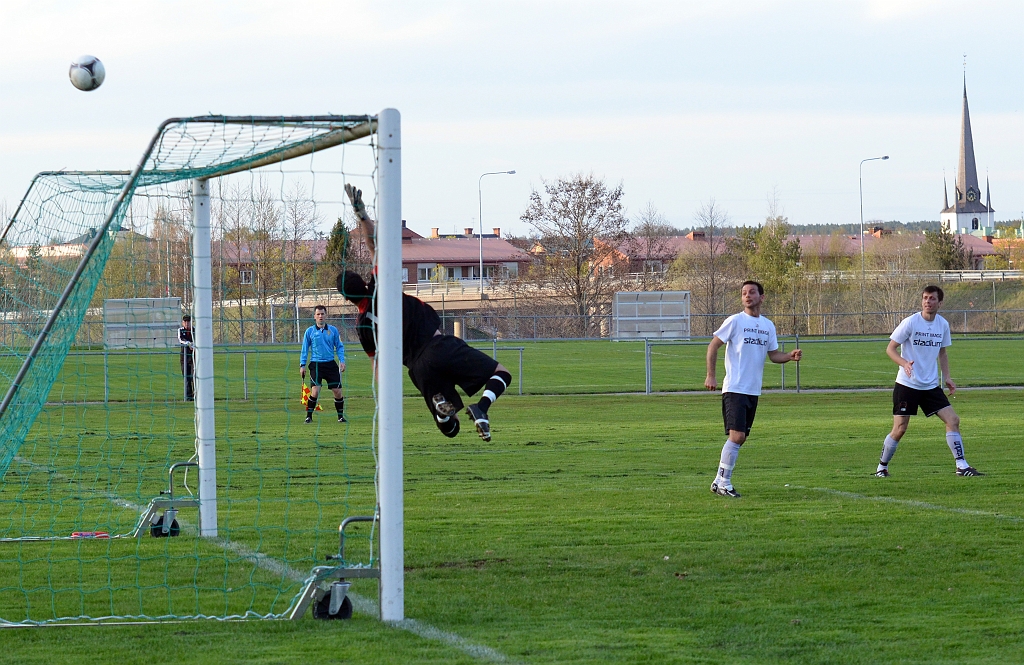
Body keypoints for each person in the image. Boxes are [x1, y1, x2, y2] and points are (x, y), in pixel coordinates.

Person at [338, 184, 512, 441]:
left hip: (418, 369)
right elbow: (374, 247)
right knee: (502, 373)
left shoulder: (363, 327)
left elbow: (377, 365)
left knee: (450, 430)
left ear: (346, 299)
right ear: (364, 283)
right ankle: (481, 408)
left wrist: (385, 398)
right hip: (439, 346)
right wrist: (362, 215)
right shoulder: (380, 287)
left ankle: (444, 414)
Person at [704, 281, 802, 498]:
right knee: (736, 436)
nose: (747, 296)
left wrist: (788, 356)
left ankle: (718, 480)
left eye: (752, 292)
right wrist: (711, 375)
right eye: (743, 293)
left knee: (741, 437)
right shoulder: (735, 321)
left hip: (752, 390)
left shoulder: (768, 326)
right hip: (735, 388)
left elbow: (773, 355)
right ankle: (724, 483)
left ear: (761, 297)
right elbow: (713, 346)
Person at [875, 285, 982, 477]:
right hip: (907, 384)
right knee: (900, 429)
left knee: (953, 420)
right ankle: (882, 468)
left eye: (932, 299)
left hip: (931, 385)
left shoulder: (942, 325)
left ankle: (962, 466)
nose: (927, 302)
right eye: (925, 298)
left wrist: (947, 377)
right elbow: (890, 349)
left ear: (939, 303)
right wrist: (904, 363)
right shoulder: (910, 322)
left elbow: (942, 352)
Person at [299, 305, 347, 423]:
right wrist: (302, 364)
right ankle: (309, 416)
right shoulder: (309, 331)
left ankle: (340, 417)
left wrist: (342, 360)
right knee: (315, 390)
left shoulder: (333, 330)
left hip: (330, 364)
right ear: (314, 316)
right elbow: (305, 349)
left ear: (326, 315)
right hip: (316, 364)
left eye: (322, 314)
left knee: (337, 391)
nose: (320, 316)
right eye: (318, 314)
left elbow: (339, 347)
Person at [178, 315, 195, 402]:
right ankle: (188, 397)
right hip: (184, 357)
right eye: (185, 322)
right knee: (186, 377)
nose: (186, 323)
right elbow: (181, 339)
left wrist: (194, 345)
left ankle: (196, 394)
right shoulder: (180, 330)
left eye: (188, 322)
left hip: (194, 357)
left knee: (194, 376)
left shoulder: (195, 330)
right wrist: (189, 344)